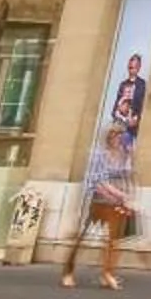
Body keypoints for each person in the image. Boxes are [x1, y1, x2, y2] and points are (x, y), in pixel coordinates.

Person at [62, 121, 137, 290]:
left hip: (116, 202)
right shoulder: (99, 154)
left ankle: (108, 273)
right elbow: (98, 180)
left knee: (113, 240)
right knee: (83, 237)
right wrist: (119, 195)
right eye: (114, 135)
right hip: (96, 200)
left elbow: (128, 175)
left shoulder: (123, 155)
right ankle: (68, 271)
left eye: (120, 135)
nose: (118, 139)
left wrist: (130, 156)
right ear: (108, 137)